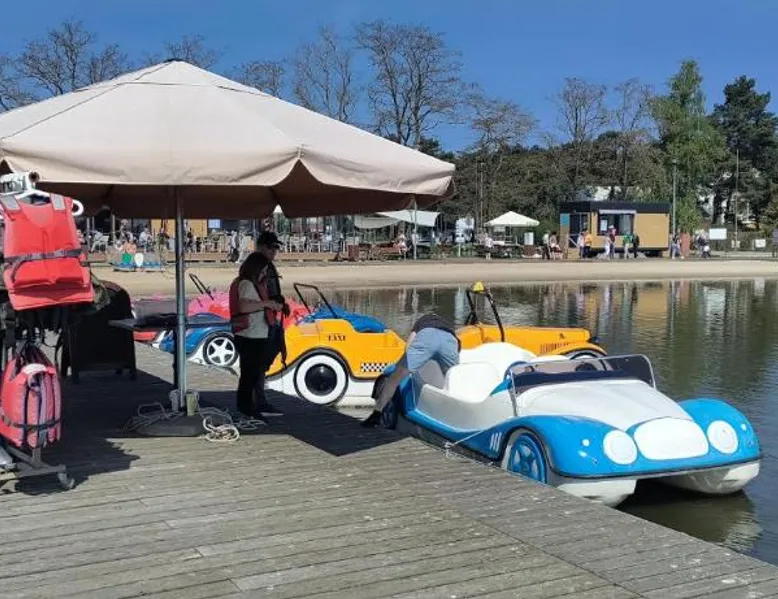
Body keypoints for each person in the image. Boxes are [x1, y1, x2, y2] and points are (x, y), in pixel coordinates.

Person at [361, 313, 460, 427]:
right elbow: (457, 347)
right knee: (454, 380)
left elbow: (408, 346)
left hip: (426, 337)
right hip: (449, 340)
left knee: (394, 380)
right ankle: (456, 416)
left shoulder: (422, 322)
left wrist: (406, 365)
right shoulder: (448, 326)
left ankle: (376, 414)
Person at [229, 252, 284, 420]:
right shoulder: (246, 284)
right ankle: (247, 408)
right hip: (249, 336)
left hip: (256, 335)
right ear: (255, 268)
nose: (264, 274)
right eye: (263, 270)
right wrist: (267, 304)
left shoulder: (252, 284)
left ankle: (248, 407)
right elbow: (244, 306)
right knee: (249, 375)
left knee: (251, 374)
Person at [255, 231, 289, 415]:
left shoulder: (266, 265)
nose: (274, 251)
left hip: (269, 318)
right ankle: (258, 401)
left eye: (276, 248)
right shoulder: (256, 267)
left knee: (263, 361)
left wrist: (281, 303)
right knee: (259, 362)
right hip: (261, 321)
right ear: (261, 247)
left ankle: (258, 399)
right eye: (271, 247)